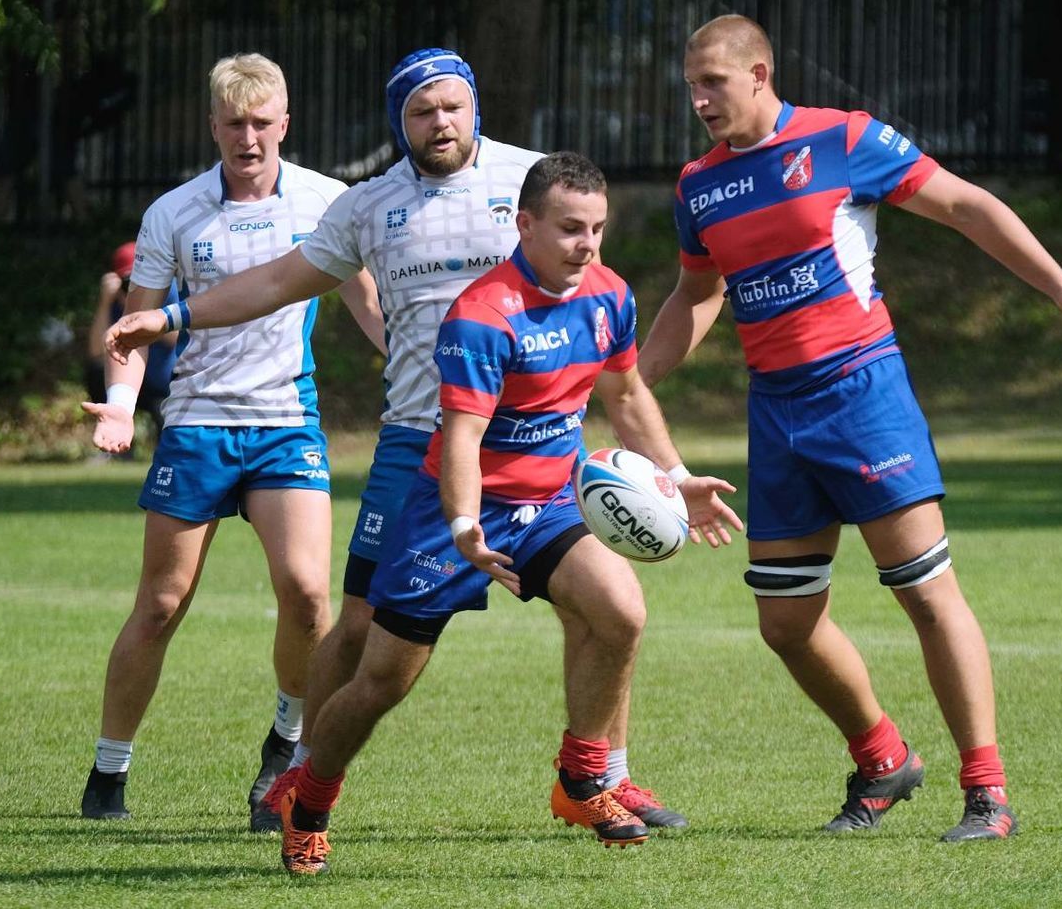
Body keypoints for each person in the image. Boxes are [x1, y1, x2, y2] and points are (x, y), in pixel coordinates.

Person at [107, 48, 691, 836]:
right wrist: (176, 315)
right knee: (359, 630)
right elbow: (277, 283)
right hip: (420, 444)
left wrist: (647, 445)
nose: (440, 122)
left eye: (452, 106)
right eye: (422, 111)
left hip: (535, 442)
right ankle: (301, 775)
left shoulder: (533, 182)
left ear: (474, 106)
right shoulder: (368, 206)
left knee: (606, 610)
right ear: (400, 122)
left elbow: (587, 287)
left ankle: (604, 777)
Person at [639, 14, 1062, 843]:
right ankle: (884, 757)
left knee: (926, 592)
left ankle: (988, 792)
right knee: (785, 622)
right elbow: (698, 295)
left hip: (863, 394)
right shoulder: (697, 185)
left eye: (712, 83)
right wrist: (625, 385)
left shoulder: (842, 140)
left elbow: (965, 205)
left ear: (759, 73)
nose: (700, 101)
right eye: (691, 88)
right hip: (775, 411)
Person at [277, 151, 741, 873]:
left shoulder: (609, 295)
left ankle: (583, 777)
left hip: (550, 500)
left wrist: (676, 476)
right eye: (568, 228)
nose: (586, 244)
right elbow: (460, 436)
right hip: (454, 515)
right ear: (523, 225)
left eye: (596, 228)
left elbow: (623, 396)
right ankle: (307, 799)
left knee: (621, 609)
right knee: (381, 682)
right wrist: (465, 526)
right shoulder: (483, 316)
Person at [79, 53, 366, 828]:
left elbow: (369, 305)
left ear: (285, 123)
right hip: (198, 423)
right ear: (213, 125)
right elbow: (134, 329)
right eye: (233, 122)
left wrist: (418, 367)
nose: (249, 136)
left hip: (286, 423)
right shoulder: (175, 212)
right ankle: (109, 770)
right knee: (162, 603)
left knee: (308, 594)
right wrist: (119, 406)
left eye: (262, 121)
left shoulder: (325, 200)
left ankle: (286, 742)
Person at [84, 241, 177, 443]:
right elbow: (96, 353)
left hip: (168, 385)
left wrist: (148, 321)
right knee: (96, 372)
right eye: (130, 282)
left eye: (142, 279)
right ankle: (115, 436)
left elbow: (179, 339)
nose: (136, 287)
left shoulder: (169, 292)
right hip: (134, 386)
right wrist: (105, 302)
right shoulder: (115, 302)